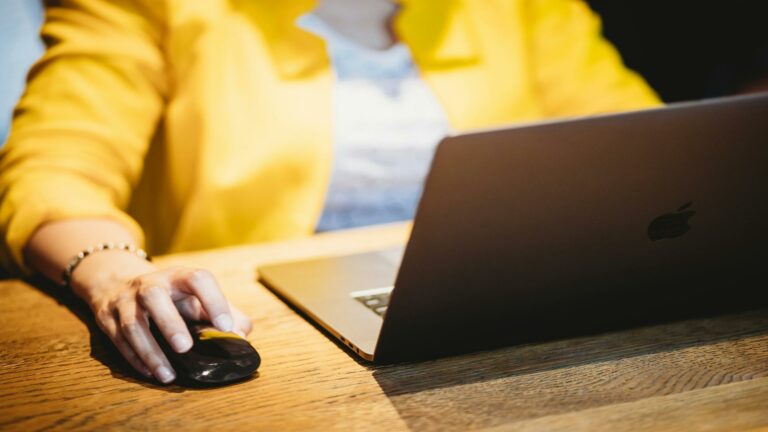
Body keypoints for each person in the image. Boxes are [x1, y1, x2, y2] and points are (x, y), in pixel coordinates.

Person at [0, 0, 660, 384]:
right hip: (269, 337)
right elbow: (55, 165)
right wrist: (115, 273)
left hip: (503, 315)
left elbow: (644, 148)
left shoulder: (521, 8)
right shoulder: (152, 8)